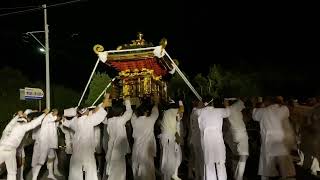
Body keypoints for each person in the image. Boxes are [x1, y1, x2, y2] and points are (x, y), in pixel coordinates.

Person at [63, 93, 111, 180]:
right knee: (91, 173)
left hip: (76, 151)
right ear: (85, 111)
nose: (89, 111)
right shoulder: (90, 120)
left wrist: (63, 118)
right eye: (88, 110)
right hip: (87, 151)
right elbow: (100, 111)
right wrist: (106, 98)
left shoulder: (75, 121)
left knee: (75, 174)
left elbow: (66, 122)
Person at [252, 96, 296, 180]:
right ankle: (285, 177)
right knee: (283, 165)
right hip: (280, 140)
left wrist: (261, 105)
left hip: (268, 141)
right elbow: (287, 112)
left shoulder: (263, 111)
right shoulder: (284, 109)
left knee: (266, 167)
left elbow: (254, 115)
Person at [0, 109, 49, 180]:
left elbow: (12, 121)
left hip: (1, 148)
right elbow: (34, 123)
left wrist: (18, 115)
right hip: (10, 151)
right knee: (12, 173)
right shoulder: (23, 127)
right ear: (25, 121)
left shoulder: (9, 126)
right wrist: (44, 114)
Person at [197, 97, 230, 180]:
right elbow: (228, 112)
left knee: (209, 165)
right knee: (220, 164)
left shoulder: (200, 112)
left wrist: (201, 106)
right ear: (212, 103)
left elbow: (195, 111)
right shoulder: (219, 111)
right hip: (218, 142)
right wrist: (226, 104)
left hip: (207, 143)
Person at [103, 96, 133, 180]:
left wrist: (105, 102)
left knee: (112, 172)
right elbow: (129, 112)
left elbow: (103, 118)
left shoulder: (109, 121)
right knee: (119, 174)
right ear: (120, 113)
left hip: (111, 148)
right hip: (118, 150)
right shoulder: (120, 120)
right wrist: (127, 101)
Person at [131, 95, 159, 180]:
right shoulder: (150, 120)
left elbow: (134, 114)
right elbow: (155, 112)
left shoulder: (134, 121)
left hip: (136, 149)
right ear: (147, 112)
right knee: (148, 172)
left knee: (136, 170)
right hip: (147, 150)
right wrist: (156, 103)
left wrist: (137, 105)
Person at [31, 109, 62, 180]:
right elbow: (57, 118)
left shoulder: (51, 119)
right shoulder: (48, 117)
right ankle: (34, 177)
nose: (56, 113)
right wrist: (53, 114)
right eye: (55, 112)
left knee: (52, 156)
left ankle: (50, 174)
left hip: (50, 143)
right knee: (41, 161)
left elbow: (57, 120)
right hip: (44, 143)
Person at [159, 99, 184, 180]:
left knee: (165, 158)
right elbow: (182, 109)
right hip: (169, 138)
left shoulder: (165, 113)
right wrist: (180, 102)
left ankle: (170, 176)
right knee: (170, 160)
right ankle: (169, 177)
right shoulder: (174, 111)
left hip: (165, 138)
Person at [225, 98, 249, 180]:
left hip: (234, 135)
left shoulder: (227, 110)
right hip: (241, 134)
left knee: (240, 156)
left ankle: (236, 175)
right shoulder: (234, 107)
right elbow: (243, 100)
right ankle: (239, 177)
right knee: (244, 156)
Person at [188, 100, 204, 180]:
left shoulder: (193, 112)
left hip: (195, 138)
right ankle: (196, 175)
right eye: (201, 103)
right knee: (197, 158)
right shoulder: (197, 112)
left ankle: (195, 175)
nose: (203, 104)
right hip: (197, 138)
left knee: (195, 158)